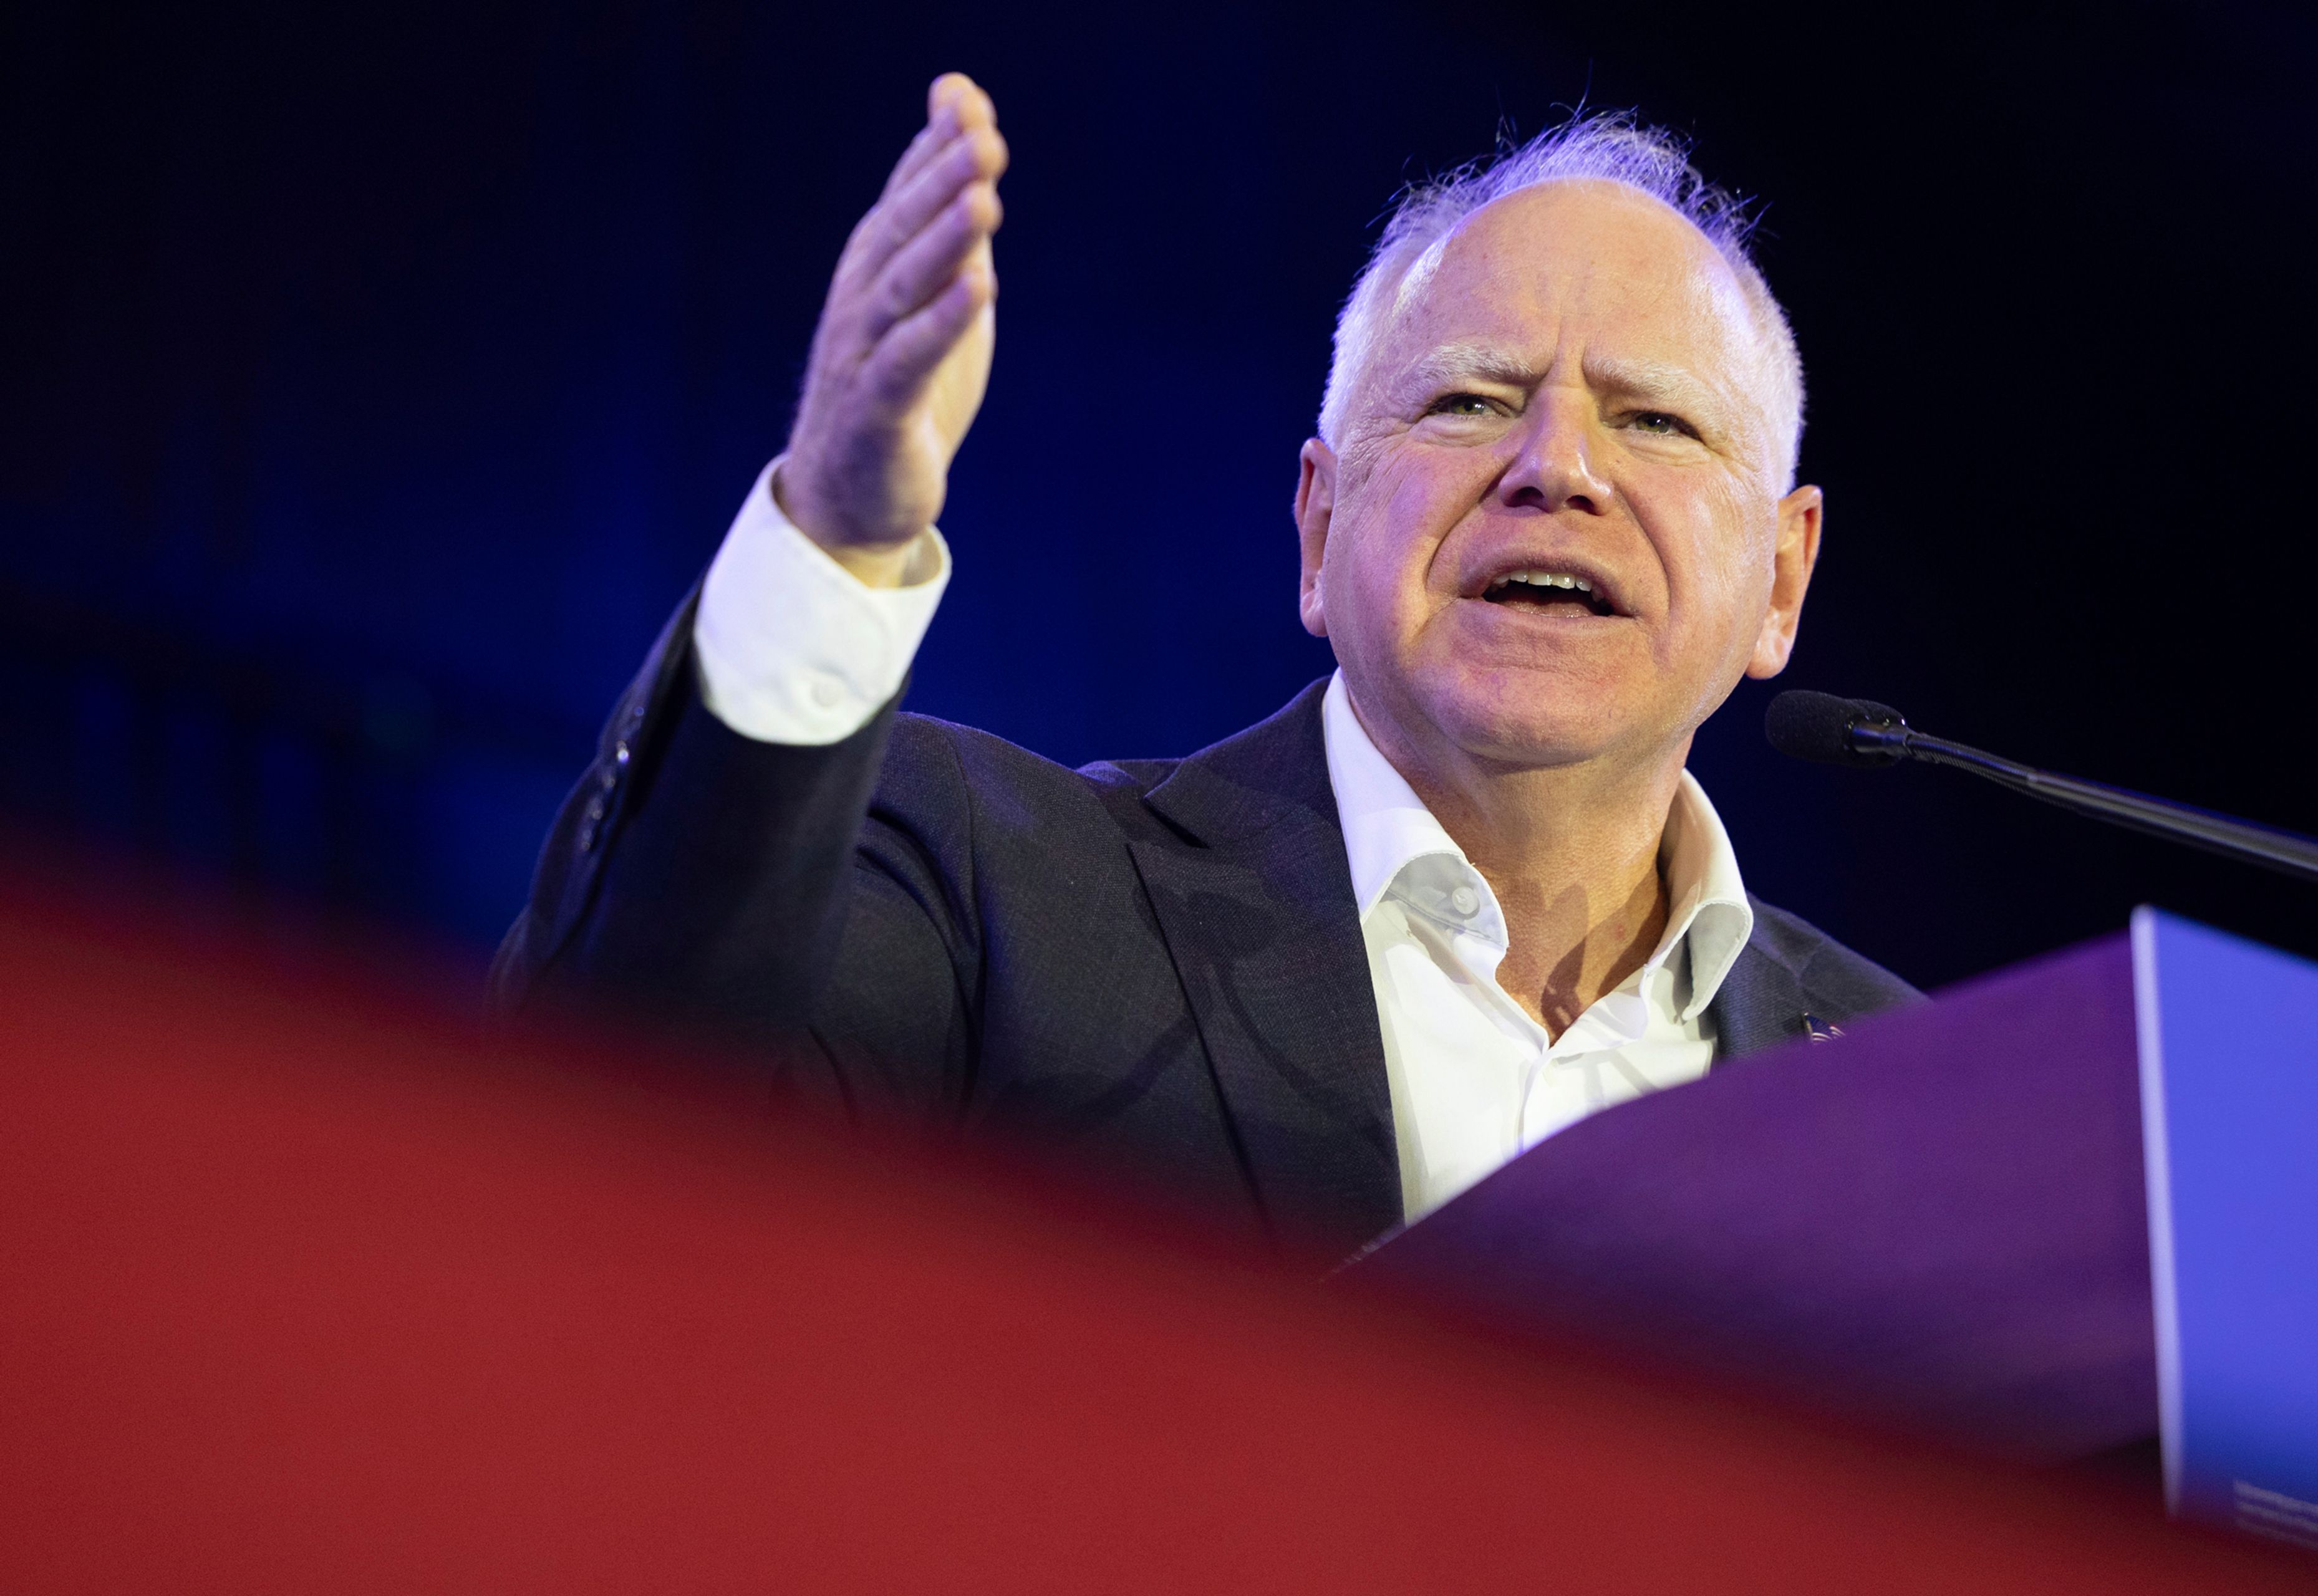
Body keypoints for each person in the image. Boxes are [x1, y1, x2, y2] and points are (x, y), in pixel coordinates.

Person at [494, 73, 1917, 1257]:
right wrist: (831, 534)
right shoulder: (994, 889)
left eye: (1657, 422)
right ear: (1318, 527)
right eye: (1468, 399)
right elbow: (613, 1120)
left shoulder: (1916, 1081)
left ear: (1780, 578)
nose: (1553, 469)